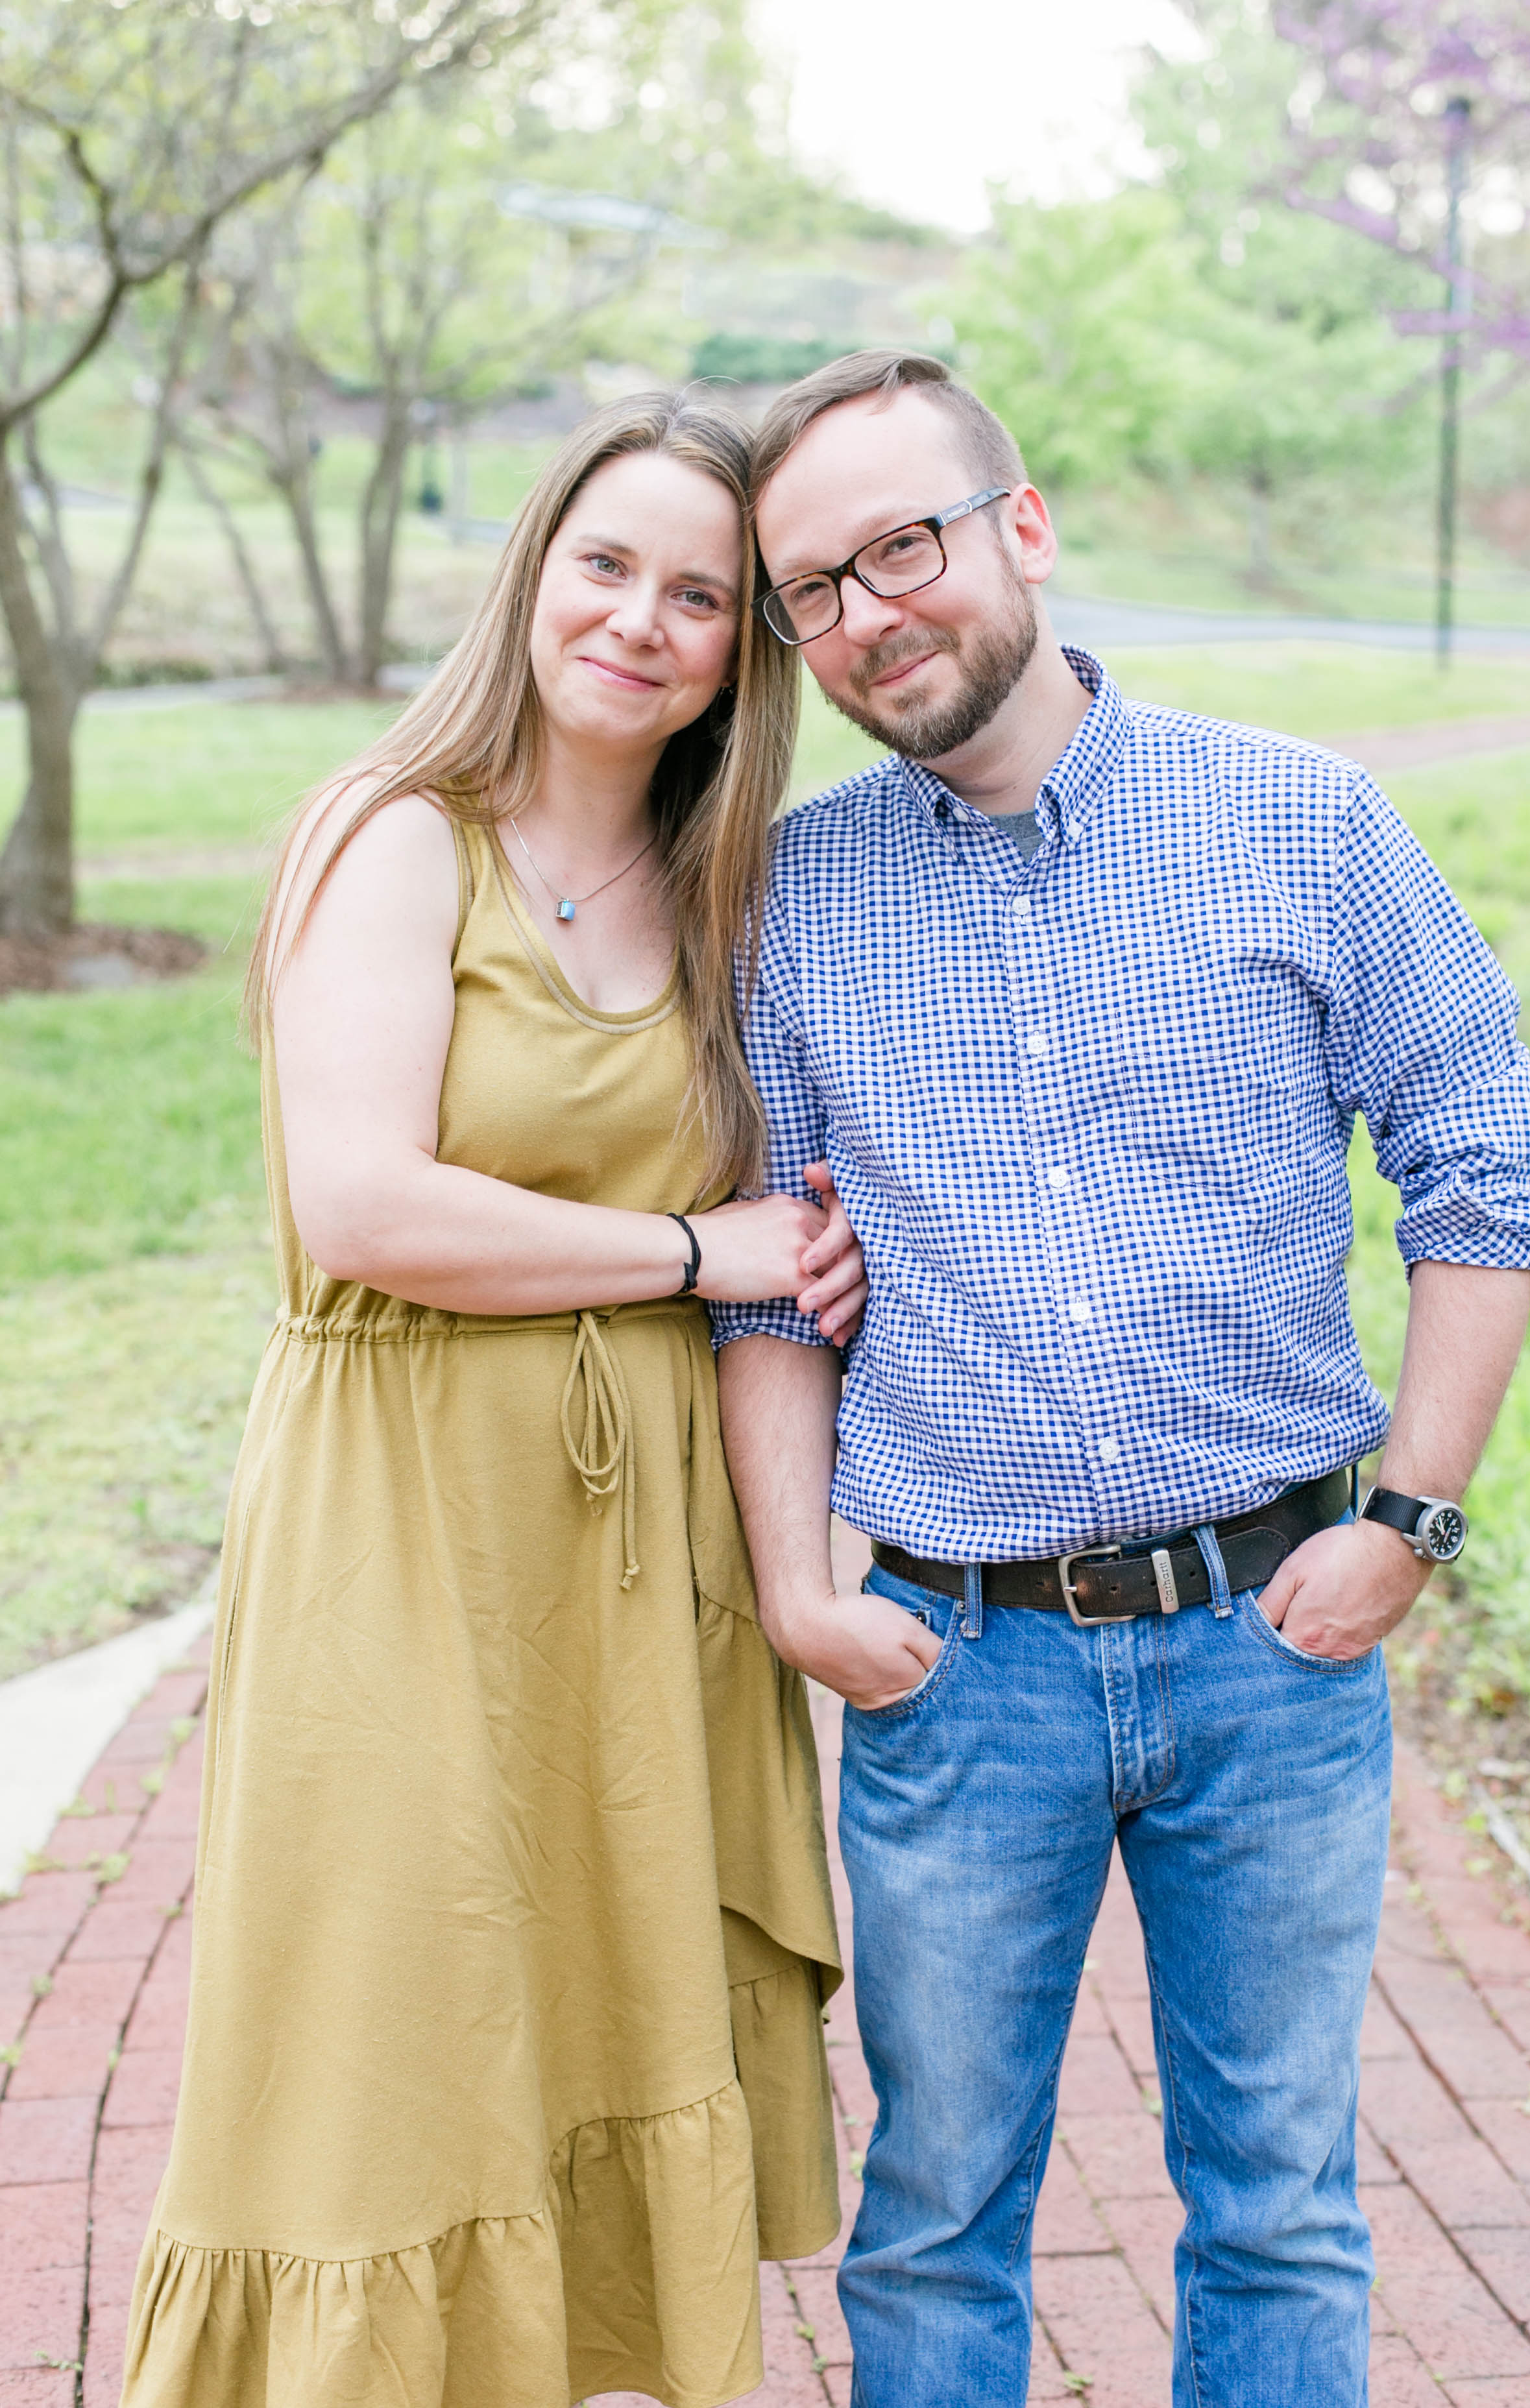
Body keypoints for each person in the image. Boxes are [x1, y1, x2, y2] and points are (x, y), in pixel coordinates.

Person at [711, 350, 1530, 2408]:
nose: (860, 619)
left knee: (1275, 2201)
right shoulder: (798, 902)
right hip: (954, 1655)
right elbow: (767, 1277)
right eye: (808, 592)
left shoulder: (1300, 819)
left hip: (1274, 1647)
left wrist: (1409, 1525)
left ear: (1020, 527)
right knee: (928, 2214)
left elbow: (1482, 1159)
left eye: (895, 547)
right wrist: (793, 1590)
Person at [122, 391, 864, 2408]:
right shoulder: (395, 835)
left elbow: (785, 1203)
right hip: (404, 1516)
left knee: (587, 2009)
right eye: (604, 564)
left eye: (699, 595)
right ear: (532, 571)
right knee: (389, 2021)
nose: (640, 620)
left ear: (744, 650)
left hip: (638, 1566)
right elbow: (364, 1204)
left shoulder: (727, 892)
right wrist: (697, 1253)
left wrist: (815, 1266)